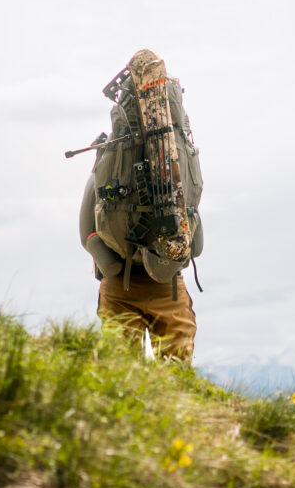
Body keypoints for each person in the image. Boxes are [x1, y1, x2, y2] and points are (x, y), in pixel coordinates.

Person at [77, 50, 203, 361]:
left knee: (121, 380)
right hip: (169, 286)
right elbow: (196, 247)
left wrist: (109, 266)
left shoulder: (110, 158)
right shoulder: (181, 159)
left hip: (119, 285)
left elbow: (86, 232)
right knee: (176, 381)